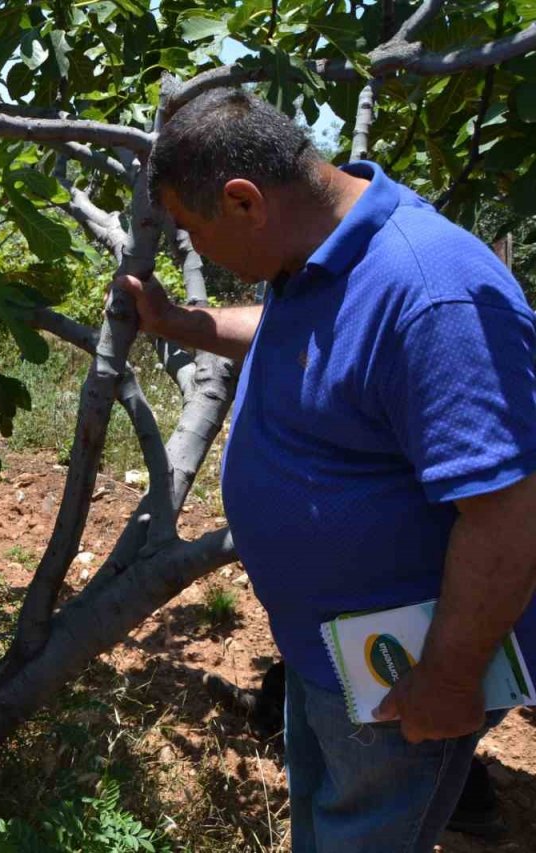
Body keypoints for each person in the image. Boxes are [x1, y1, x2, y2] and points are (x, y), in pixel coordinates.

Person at [114, 88, 536, 852]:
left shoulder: (433, 293)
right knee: (325, 826)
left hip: (404, 671)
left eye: (192, 228)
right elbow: (289, 332)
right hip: (329, 654)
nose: (196, 248)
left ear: (243, 202)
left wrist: (447, 676)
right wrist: (185, 324)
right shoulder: (311, 255)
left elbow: (508, 511)